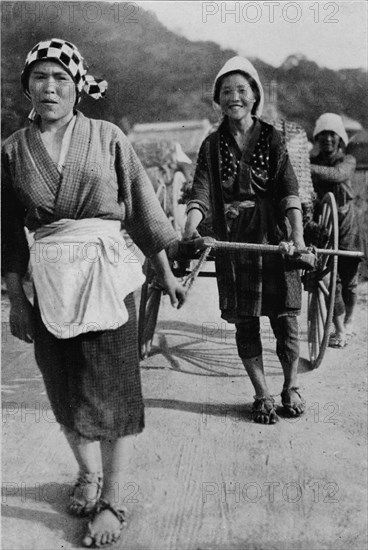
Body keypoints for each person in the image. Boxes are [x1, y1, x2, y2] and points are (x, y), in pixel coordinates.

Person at [1, 38, 186, 548]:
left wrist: (165, 271)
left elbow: (145, 208)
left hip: (107, 276)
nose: (50, 86)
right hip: (50, 283)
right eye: (40, 77)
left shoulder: (106, 137)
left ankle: (112, 499)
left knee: (112, 386)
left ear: (78, 86)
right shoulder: (13, 151)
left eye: (61, 77)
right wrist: (17, 299)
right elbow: (7, 236)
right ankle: (87, 471)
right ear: (27, 87)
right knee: (62, 385)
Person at [183, 56, 306, 425]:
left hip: (275, 238)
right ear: (218, 99)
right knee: (246, 320)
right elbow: (202, 190)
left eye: (241, 90)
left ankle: (291, 385)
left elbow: (289, 189)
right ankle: (261, 393)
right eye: (226, 91)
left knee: (285, 317)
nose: (233, 97)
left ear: (254, 95)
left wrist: (297, 237)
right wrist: (191, 226)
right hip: (235, 242)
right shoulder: (211, 144)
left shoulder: (273, 138)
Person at [310, 113, 361, 348]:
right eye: (323, 135)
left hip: (346, 222)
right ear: (317, 138)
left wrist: (306, 166)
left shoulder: (347, 160)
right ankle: (339, 328)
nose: (328, 139)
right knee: (330, 276)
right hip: (324, 223)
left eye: (333, 135)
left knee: (349, 277)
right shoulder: (313, 159)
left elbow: (338, 175)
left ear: (340, 139)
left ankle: (349, 321)